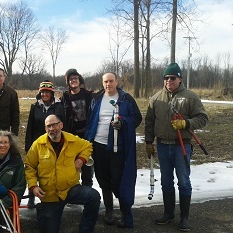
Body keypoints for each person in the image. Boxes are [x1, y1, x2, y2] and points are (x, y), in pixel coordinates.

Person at [144, 62, 208, 232]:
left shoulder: (190, 97)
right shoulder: (156, 98)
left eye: (173, 77)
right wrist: (148, 142)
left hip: (182, 146)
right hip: (163, 146)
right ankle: (168, 213)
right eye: (166, 78)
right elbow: (149, 122)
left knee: (184, 182)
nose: (169, 80)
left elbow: (202, 118)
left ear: (179, 79)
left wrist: (186, 123)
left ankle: (184, 217)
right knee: (166, 181)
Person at [25, 114, 101, 233]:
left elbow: (88, 146)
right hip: (50, 195)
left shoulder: (73, 140)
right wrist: (33, 186)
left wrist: (82, 159)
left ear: (61, 125)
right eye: (48, 126)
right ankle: (42, 211)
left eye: (54, 125)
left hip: (70, 188)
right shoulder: (38, 145)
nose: (51, 129)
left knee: (93, 196)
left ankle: (85, 230)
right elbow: (29, 166)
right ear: (45, 129)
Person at [85, 72, 142, 228]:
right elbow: (91, 120)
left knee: (118, 181)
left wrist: (123, 123)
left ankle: (125, 213)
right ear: (102, 83)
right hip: (98, 145)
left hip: (118, 148)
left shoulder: (125, 99)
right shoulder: (96, 99)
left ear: (116, 82)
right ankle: (109, 211)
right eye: (105, 81)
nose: (108, 84)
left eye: (111, 81)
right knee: (103, 180)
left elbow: (137, 118)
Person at [24, 80, 65, 208]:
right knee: (34, 170)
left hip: (54, 143)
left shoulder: (59, 106)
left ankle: (52, 197)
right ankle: (31, 196)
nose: (45, 94)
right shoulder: (35, 106)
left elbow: (63, 127)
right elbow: (30, 127)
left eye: (47, 92)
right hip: (37, 143)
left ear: (51, 93)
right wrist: (28, 146)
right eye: (42, 92)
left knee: (50, 171)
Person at [61, 68, 94, 187]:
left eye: (75, 78)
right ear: (68, 83)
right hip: (71, 136)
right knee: (71, 166)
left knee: (87, 165)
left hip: (87, 135)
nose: (73, 80)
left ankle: (87, 192)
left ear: (80, 80)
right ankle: (73, 192)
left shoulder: (89, 96)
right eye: (71, 79)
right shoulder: (64, 98)